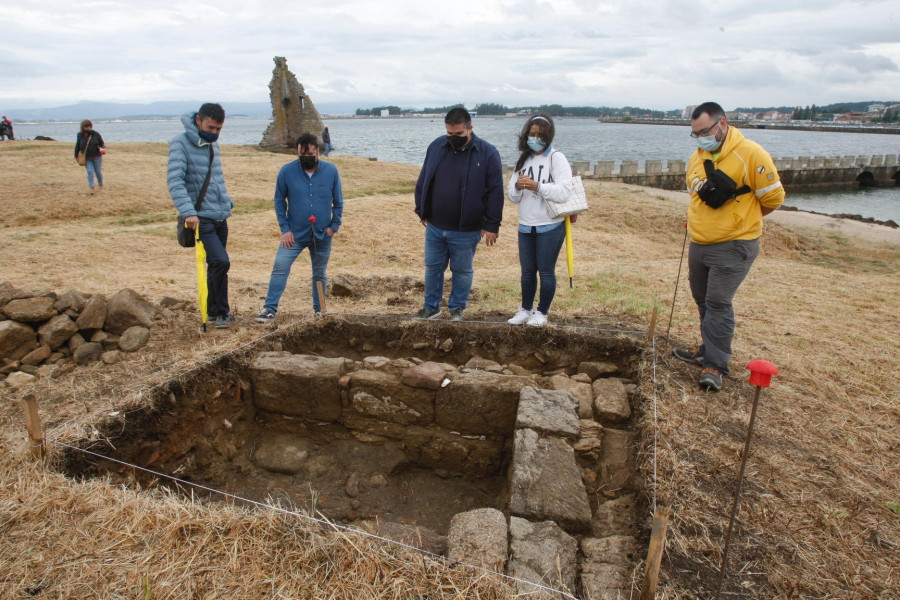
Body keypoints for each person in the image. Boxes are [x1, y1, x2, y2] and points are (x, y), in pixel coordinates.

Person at [673, 102, 785, 391]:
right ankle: (707, 349)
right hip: (700, 242)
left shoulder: (751, 154)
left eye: (705, 132)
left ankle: (716, 365)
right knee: (703, 300)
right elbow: (695, 197)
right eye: (695, 134)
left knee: (718, 303)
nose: (700, 138)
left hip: (734, 245)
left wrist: (741, 222)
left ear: (722, 124)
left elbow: (773, 199)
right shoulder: (696, 158)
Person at [413, 107, 503, 321]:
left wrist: (492, 225)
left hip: (467, 228)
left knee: (462, 271)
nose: (453, 138)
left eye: (459, 135)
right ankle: (431, 308)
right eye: (449, 134)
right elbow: (424, 178)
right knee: (433, 268)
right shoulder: (436, 146)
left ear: (470, 128)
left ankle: (457, 309)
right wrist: (421, 209)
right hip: (435, 226)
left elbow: (495, 191)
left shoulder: (488, 153)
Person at [256, 133, 343, 322]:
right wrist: (285, 229)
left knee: (319, 273)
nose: (306, 159)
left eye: (310, 155)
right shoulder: (286, 172)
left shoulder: (331, 171)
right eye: (302, 156)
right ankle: (269, 309)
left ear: (317, 151)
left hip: (322, 234)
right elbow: (279, 201)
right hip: (294, 234)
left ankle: (320, 310)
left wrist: (333, 226)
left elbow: (338, 201)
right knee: (280, 265)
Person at [168, 103, 236, 329]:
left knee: (218, 265)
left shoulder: (212, 145)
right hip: (200, 217)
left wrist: (226, 203)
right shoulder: (180, 143)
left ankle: (215, 311)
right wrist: (188, 212)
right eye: (211, 127)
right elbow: (175, 181)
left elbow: (216, 178)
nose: (215, 132)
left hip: (219, 215)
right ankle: (222, 311)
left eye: (219, 129)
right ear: (198, 120)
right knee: (220, 261)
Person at [506, 113, 573, 327]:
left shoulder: (557, 158)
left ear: (549, 136)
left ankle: (542, 312)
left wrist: (538, 186)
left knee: (545, 270)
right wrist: (518, 186)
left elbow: (564, 192)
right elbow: (512, 195)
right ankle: (525, 309)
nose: (535, 139)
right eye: (532, 134)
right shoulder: (524, 159)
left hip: (550, 225)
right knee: (527, 271)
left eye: (540, 135)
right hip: (526, 224)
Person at [74, 120, 105, 193]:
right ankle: (92, 187)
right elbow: (77, 145)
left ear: (91, 127)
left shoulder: (96, 134)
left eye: (89, 127)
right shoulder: (80, 135)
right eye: (86, 127)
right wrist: (76, 155)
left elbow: (102, 143)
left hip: (97, 156)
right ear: (83, 127)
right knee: (90, 171)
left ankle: (101, 185)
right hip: (87, 157)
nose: (87, 129)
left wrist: (101, 148)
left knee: (98, 172)